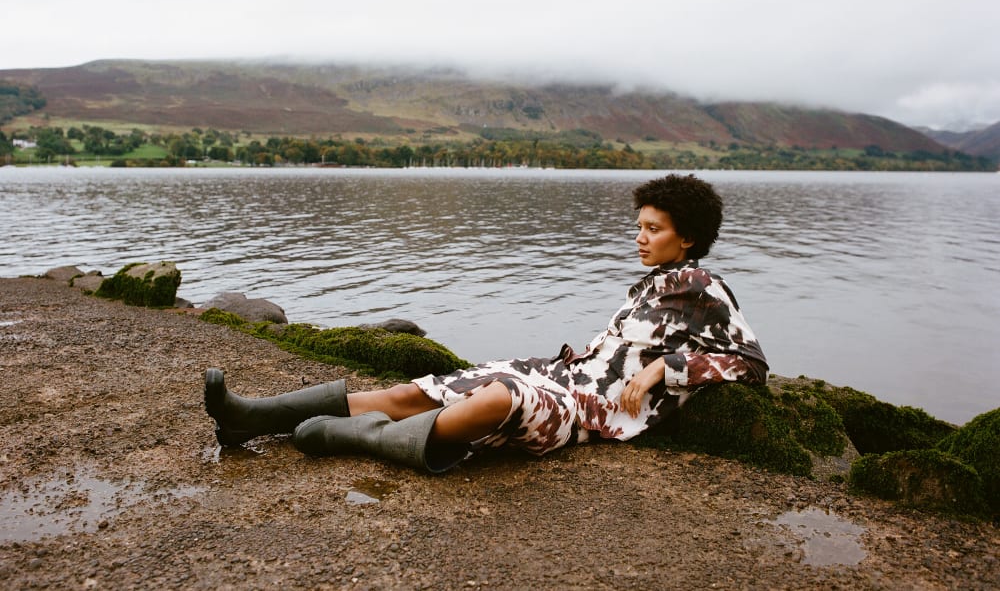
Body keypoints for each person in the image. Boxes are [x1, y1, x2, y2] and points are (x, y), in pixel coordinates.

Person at [204, 174, 768, 473]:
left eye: (653, 228)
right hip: (562, 375)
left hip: (589, 416)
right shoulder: (654, 284)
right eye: (639, 225)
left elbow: (751, 364)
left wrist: (665, 369)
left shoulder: (705, 290)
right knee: (420, 389)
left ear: (687, 237)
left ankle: (362, 441)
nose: (639, 236)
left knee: (500, 400)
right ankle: (248, 419)